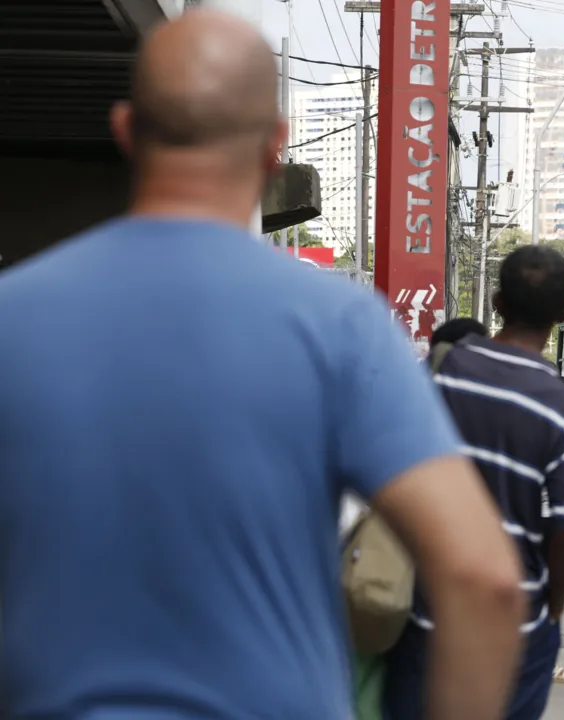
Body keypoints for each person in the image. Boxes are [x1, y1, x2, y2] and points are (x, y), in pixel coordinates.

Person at [0, 10, 526, 720]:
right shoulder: (339, 329)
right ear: (275, 146)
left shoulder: (15, 315)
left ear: (125, 131)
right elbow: (483, 577)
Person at [384, 245, 564, 720]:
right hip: (515, 620)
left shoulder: (437, 372)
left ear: (496, 303)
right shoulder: (561, 407)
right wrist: (552, 611)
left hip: (425, 609)